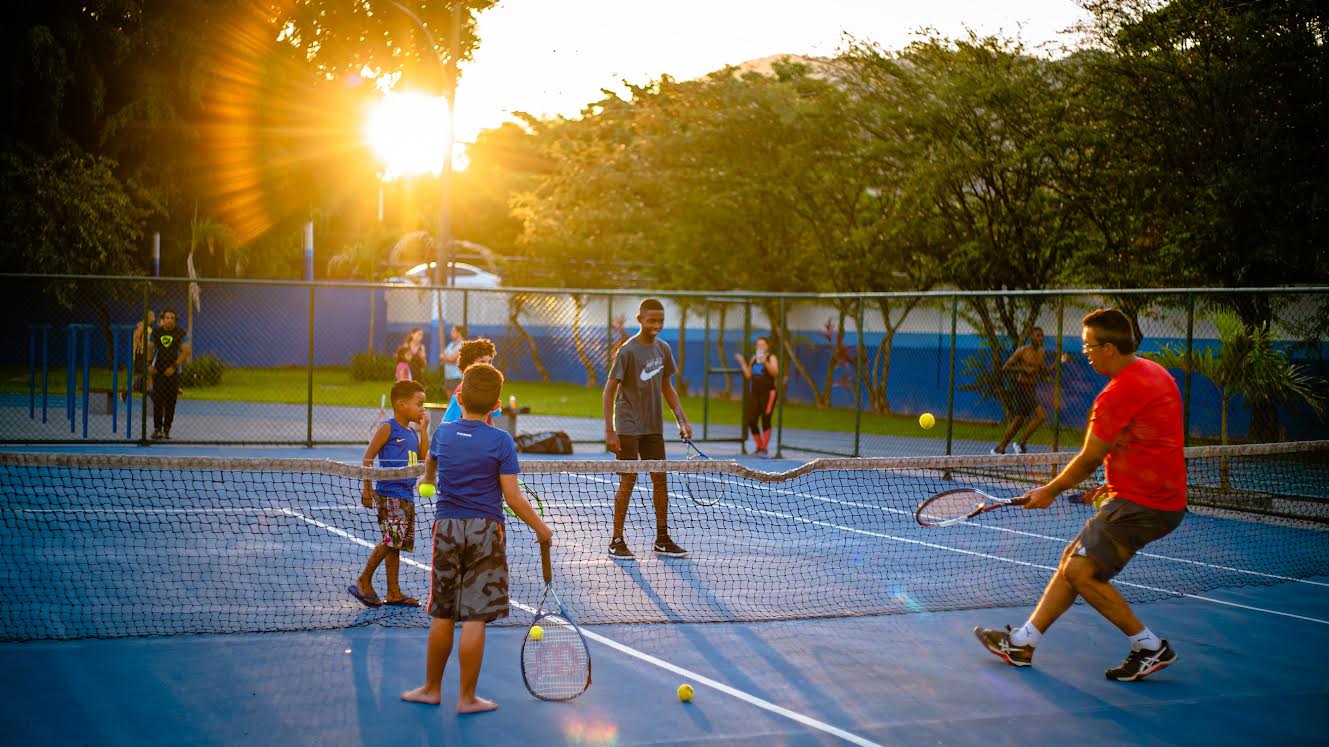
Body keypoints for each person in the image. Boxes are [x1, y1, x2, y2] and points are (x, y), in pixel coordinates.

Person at [974, 308, 1186, 682]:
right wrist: (1116, 480)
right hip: (1154, 498)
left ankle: (1149, 646)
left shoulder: (1117, 393)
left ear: (1108, 347)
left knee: (1080, 572)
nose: (1084, 352)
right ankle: (1023, 642)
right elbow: (1151, 438)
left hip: (1143, 503)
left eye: (1089, 346)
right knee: (1072, 561)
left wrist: (1049, 491)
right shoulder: (1156, 373)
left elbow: (1090, 457)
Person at [401, 363, 552, 712]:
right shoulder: (501, 441)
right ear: (497, 404)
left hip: (447, 528)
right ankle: (467, 698)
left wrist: (429, 477)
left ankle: (431, 689)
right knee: (473, 617)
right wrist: (541, 528)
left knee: (442, 613)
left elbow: (429, 474)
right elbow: (513, 498)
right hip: (485, 531)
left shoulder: (442, 433)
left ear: (458, 396)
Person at [603, 298, 692, 559]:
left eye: (661, 321)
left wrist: (682, 420)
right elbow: (609, 392)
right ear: (640, 319)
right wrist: (610, 430)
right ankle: (616, 540)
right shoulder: (627, 351)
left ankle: (662, 539)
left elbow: (668, 387)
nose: (656, 325)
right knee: (628, 480)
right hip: (629, 426)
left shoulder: (663, 349)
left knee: (660, 479)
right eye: (651, 320)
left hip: (653, 427)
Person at [350, 379, 429, 608]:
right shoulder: (388, 428)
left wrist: (424, 431)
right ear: (402, 405)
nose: (422, 409)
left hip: (406, 494)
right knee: (393, 539)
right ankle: (364, 579)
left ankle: (393, 592)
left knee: (396, 544)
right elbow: (368, 457)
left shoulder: (413, 432)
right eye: (419, 404)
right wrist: (367, 488)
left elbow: (423, 458)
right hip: (389, 493)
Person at [991, 326, 1068, 455]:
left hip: (1032, 389)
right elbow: (1006, 367)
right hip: (1021, 388)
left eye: (1042, 336)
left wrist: (1059, 362)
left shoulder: (1041, 353)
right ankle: (1020, 443)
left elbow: (1044, 372)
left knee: (1018, 421)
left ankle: (1000, 448)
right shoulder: (1022, 351)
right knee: (1041, 416)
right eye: (1038, 335)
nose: (1040, 338)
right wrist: (1023, 369)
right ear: (1031, 337)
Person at [148, 309, 191, 439]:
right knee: (158, 401)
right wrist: (149, 364)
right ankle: (157, 429)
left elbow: (186, 351)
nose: (169, 320)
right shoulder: (156, 332)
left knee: (171, 401)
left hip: (173, 371)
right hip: (158, 371)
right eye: (167, 317)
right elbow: (149, 348)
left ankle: (167, 429)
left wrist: (174, 367)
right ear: (163, 319)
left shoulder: (180, 333)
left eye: (172, 318)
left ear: (175, 320)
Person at [440, 338, 501, 426]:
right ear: (468, 365)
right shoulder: (462, 390)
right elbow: (446, 424)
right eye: (482, 362)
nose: (488, 366)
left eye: (490, 362)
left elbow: (490, 421)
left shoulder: (489, 389)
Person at [734, 336, 779, 457]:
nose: (760, 347)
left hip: (768, 393)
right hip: (755, 393)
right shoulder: (754, 358)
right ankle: (759, 446)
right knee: (751, 420)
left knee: (766, 418)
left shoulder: (771, 357)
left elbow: (775, 373)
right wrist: (743, 362)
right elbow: (748, 375)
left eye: (763, 345)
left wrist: (765, 361)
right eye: (758, 345)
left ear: (767, 346)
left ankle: (764, 448)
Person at [122, 310, 155, 400]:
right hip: (140, 354)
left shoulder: (149, 328)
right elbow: (137, 337)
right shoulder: (141, 325)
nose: (154, 318)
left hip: (146, 354)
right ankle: (126, 391)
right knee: (140, 375)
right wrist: (142, 348)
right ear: (148, 317)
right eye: (153, 316)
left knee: (149, 372)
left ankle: (148, 390)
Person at [439, 324, 467, 396]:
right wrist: (447, 358)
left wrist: (446, 358)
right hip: (448, 375)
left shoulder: (462, 344)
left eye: (453, 331)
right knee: (450, 399)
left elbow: (452, 359)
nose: (451, 333)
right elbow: (441, 356)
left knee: (456, 398)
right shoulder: (451, 344)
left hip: (457, 376)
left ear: (459, 332)